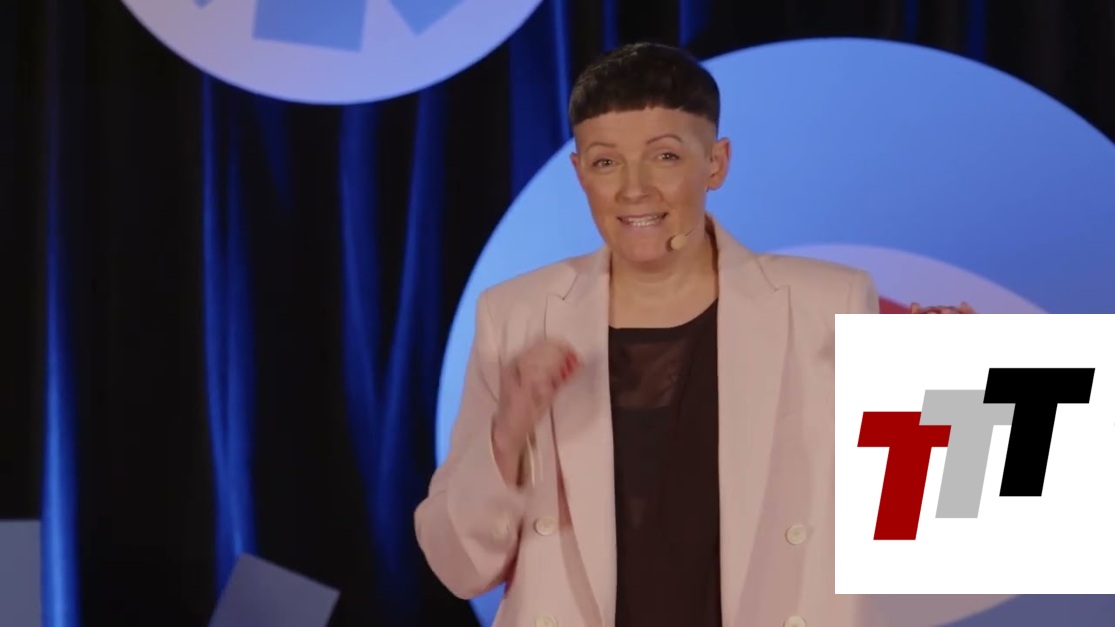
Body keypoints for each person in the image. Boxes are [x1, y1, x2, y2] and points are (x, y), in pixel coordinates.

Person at [415, 42, 977, 627]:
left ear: (716, 163)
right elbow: (458, 567)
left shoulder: (827, 303)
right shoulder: (517, 314)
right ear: (580, 174)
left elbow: (923, 524)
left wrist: (959, 394)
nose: (634, 189)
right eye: (606, 163)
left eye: (664, 156)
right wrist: (507, 433)